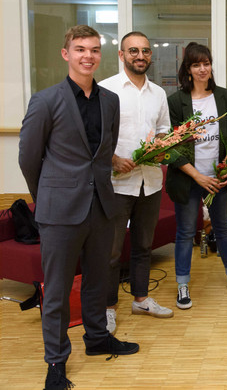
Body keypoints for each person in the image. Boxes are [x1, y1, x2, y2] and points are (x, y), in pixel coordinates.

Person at [19, 25, 139, 390]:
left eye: (94, 50)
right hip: (59, 211)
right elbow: (28, 158)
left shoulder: (110, 101)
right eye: (81, 49)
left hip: (101, 206)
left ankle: (97, 338)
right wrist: (47, 196)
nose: (88, 56)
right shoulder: (45, 100)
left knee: (98, 280)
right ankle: (56, 361)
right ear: (66, 54)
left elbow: (104, 153)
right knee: (56, 291)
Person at [166, 42, 227, 310]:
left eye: (206, 63)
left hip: (218, 178)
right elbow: (172, 146)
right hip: (188, 178)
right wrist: (197, 176)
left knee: (224, 228)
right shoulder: (176, 101)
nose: (202, 69)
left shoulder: (223, 96)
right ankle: (182, 285)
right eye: (196, 65)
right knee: (185, 232)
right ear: (188, 69)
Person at [99, 31, 173, 335]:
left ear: (150, 55)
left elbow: (164, 128)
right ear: (121, 55)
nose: (140, 56)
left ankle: (141, 299)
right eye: (133, 51)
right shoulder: (106, 90)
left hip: (150, 182)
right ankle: (108, 308)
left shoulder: (158, 93)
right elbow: (94, 135)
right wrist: (113, 159)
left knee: (143, 246)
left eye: (145, 51)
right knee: (111, 251)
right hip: (117, 184)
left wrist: (161, 145)